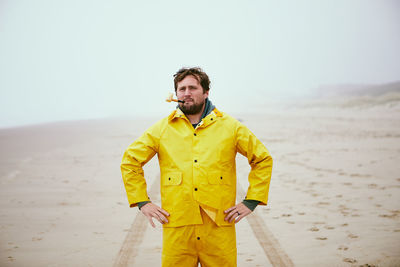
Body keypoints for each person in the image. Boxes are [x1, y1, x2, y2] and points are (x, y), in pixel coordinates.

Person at [120, 67, 273, 267]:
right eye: (181, 89)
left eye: (192, 87)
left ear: (206, 92)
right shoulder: (161, 129)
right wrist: (142, 201)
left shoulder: (230, 126)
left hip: (218, 226)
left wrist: (252, 200)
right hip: (177, 227)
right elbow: (130, 160)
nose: (186, 93)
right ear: (176, 95)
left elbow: (262, 158)